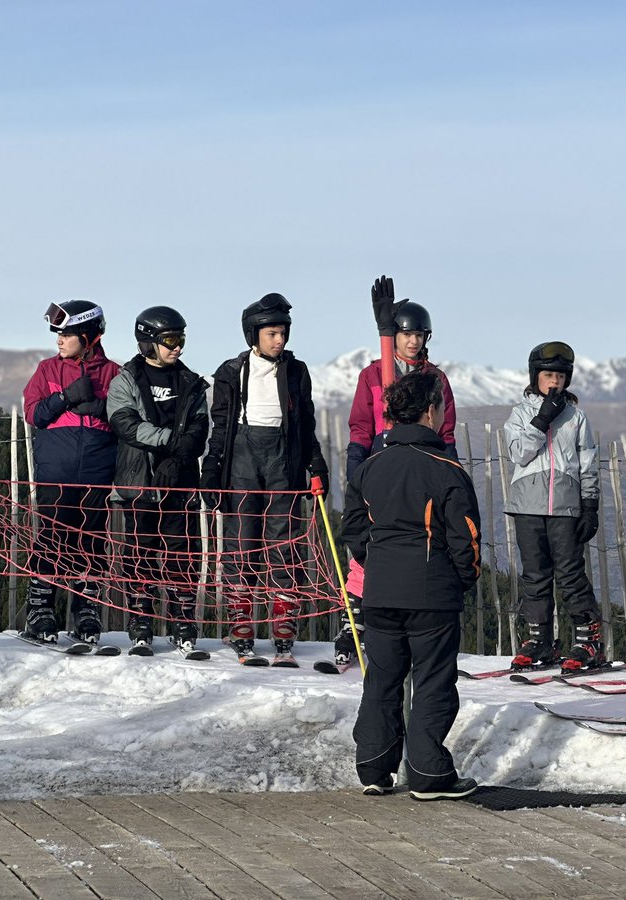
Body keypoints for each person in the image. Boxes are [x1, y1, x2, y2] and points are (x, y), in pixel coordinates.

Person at [342, 370, 481, 800]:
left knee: (382, 680)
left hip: (380, 592)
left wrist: (378, 566)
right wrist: (462, 580)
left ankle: (374, 766)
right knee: (433, 682)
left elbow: (353, 531)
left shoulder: (370, 468)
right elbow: (466, 539)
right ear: (430, 411)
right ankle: (427, 772)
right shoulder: (447, 469)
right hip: (432, 594)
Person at [199, 293, 331, 661]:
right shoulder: (230, 372)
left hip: (283, 461)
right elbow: (221, 425)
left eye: (283, 333)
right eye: (272, 333)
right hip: (241, 458)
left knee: (283, 540)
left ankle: (284, 623)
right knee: (242, 538)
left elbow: (305, 423)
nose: (279, 340)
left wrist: (315, 464)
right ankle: (240, 621)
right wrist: (212, 468)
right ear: (253, 334)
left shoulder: (296, 371)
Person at [335, 277, 459, 666]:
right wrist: (357, 463)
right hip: (379, 462)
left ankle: (406, 620)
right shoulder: (373, 375)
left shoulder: (435, 379)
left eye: (420, 334)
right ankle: (353, 617)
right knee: (370, 539)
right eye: (406, 334)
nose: (413, 341)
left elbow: (446, 427)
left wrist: (450, 464)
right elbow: (361, 424)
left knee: (415, 538)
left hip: (423, 466)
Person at [106, 306, 209, 653]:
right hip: (139, 480)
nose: (177, 347)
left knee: (183, 551)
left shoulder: (191, 383)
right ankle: (141, 619)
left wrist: (180, 458)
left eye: (181, 339)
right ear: (148, 342)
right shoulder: (126, 380)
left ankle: (183, 618)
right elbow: (125, 424)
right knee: (140, 551)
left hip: (180, 483)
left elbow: (199, 429)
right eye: (170, 340)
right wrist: (169, 442)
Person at [21, 300, 121, 644]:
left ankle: (86, 609)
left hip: (96, 467)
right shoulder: (47, 369)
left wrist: (104, 409)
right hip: (56, 467)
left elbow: (127, 419)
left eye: (66, 333)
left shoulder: (113, 373)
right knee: (51, 536)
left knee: (90, 539)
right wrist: (65, 397)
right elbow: (33, 414)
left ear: (88, 336)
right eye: (58, 334)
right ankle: (40, 610)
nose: (59, 340)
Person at [503, 341, 604, 672]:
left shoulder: (576, 417)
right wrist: (543, 419)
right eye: (548, 375)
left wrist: (590, 505)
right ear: (535, 377)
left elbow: (588, 463)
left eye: (560, 377)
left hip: (565, 506)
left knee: (571, 574)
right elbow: (519, 453)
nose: (554, 382)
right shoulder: (519, 415)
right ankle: (539, 640)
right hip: (527, 506)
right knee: (534, 576)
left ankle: (588, 640)